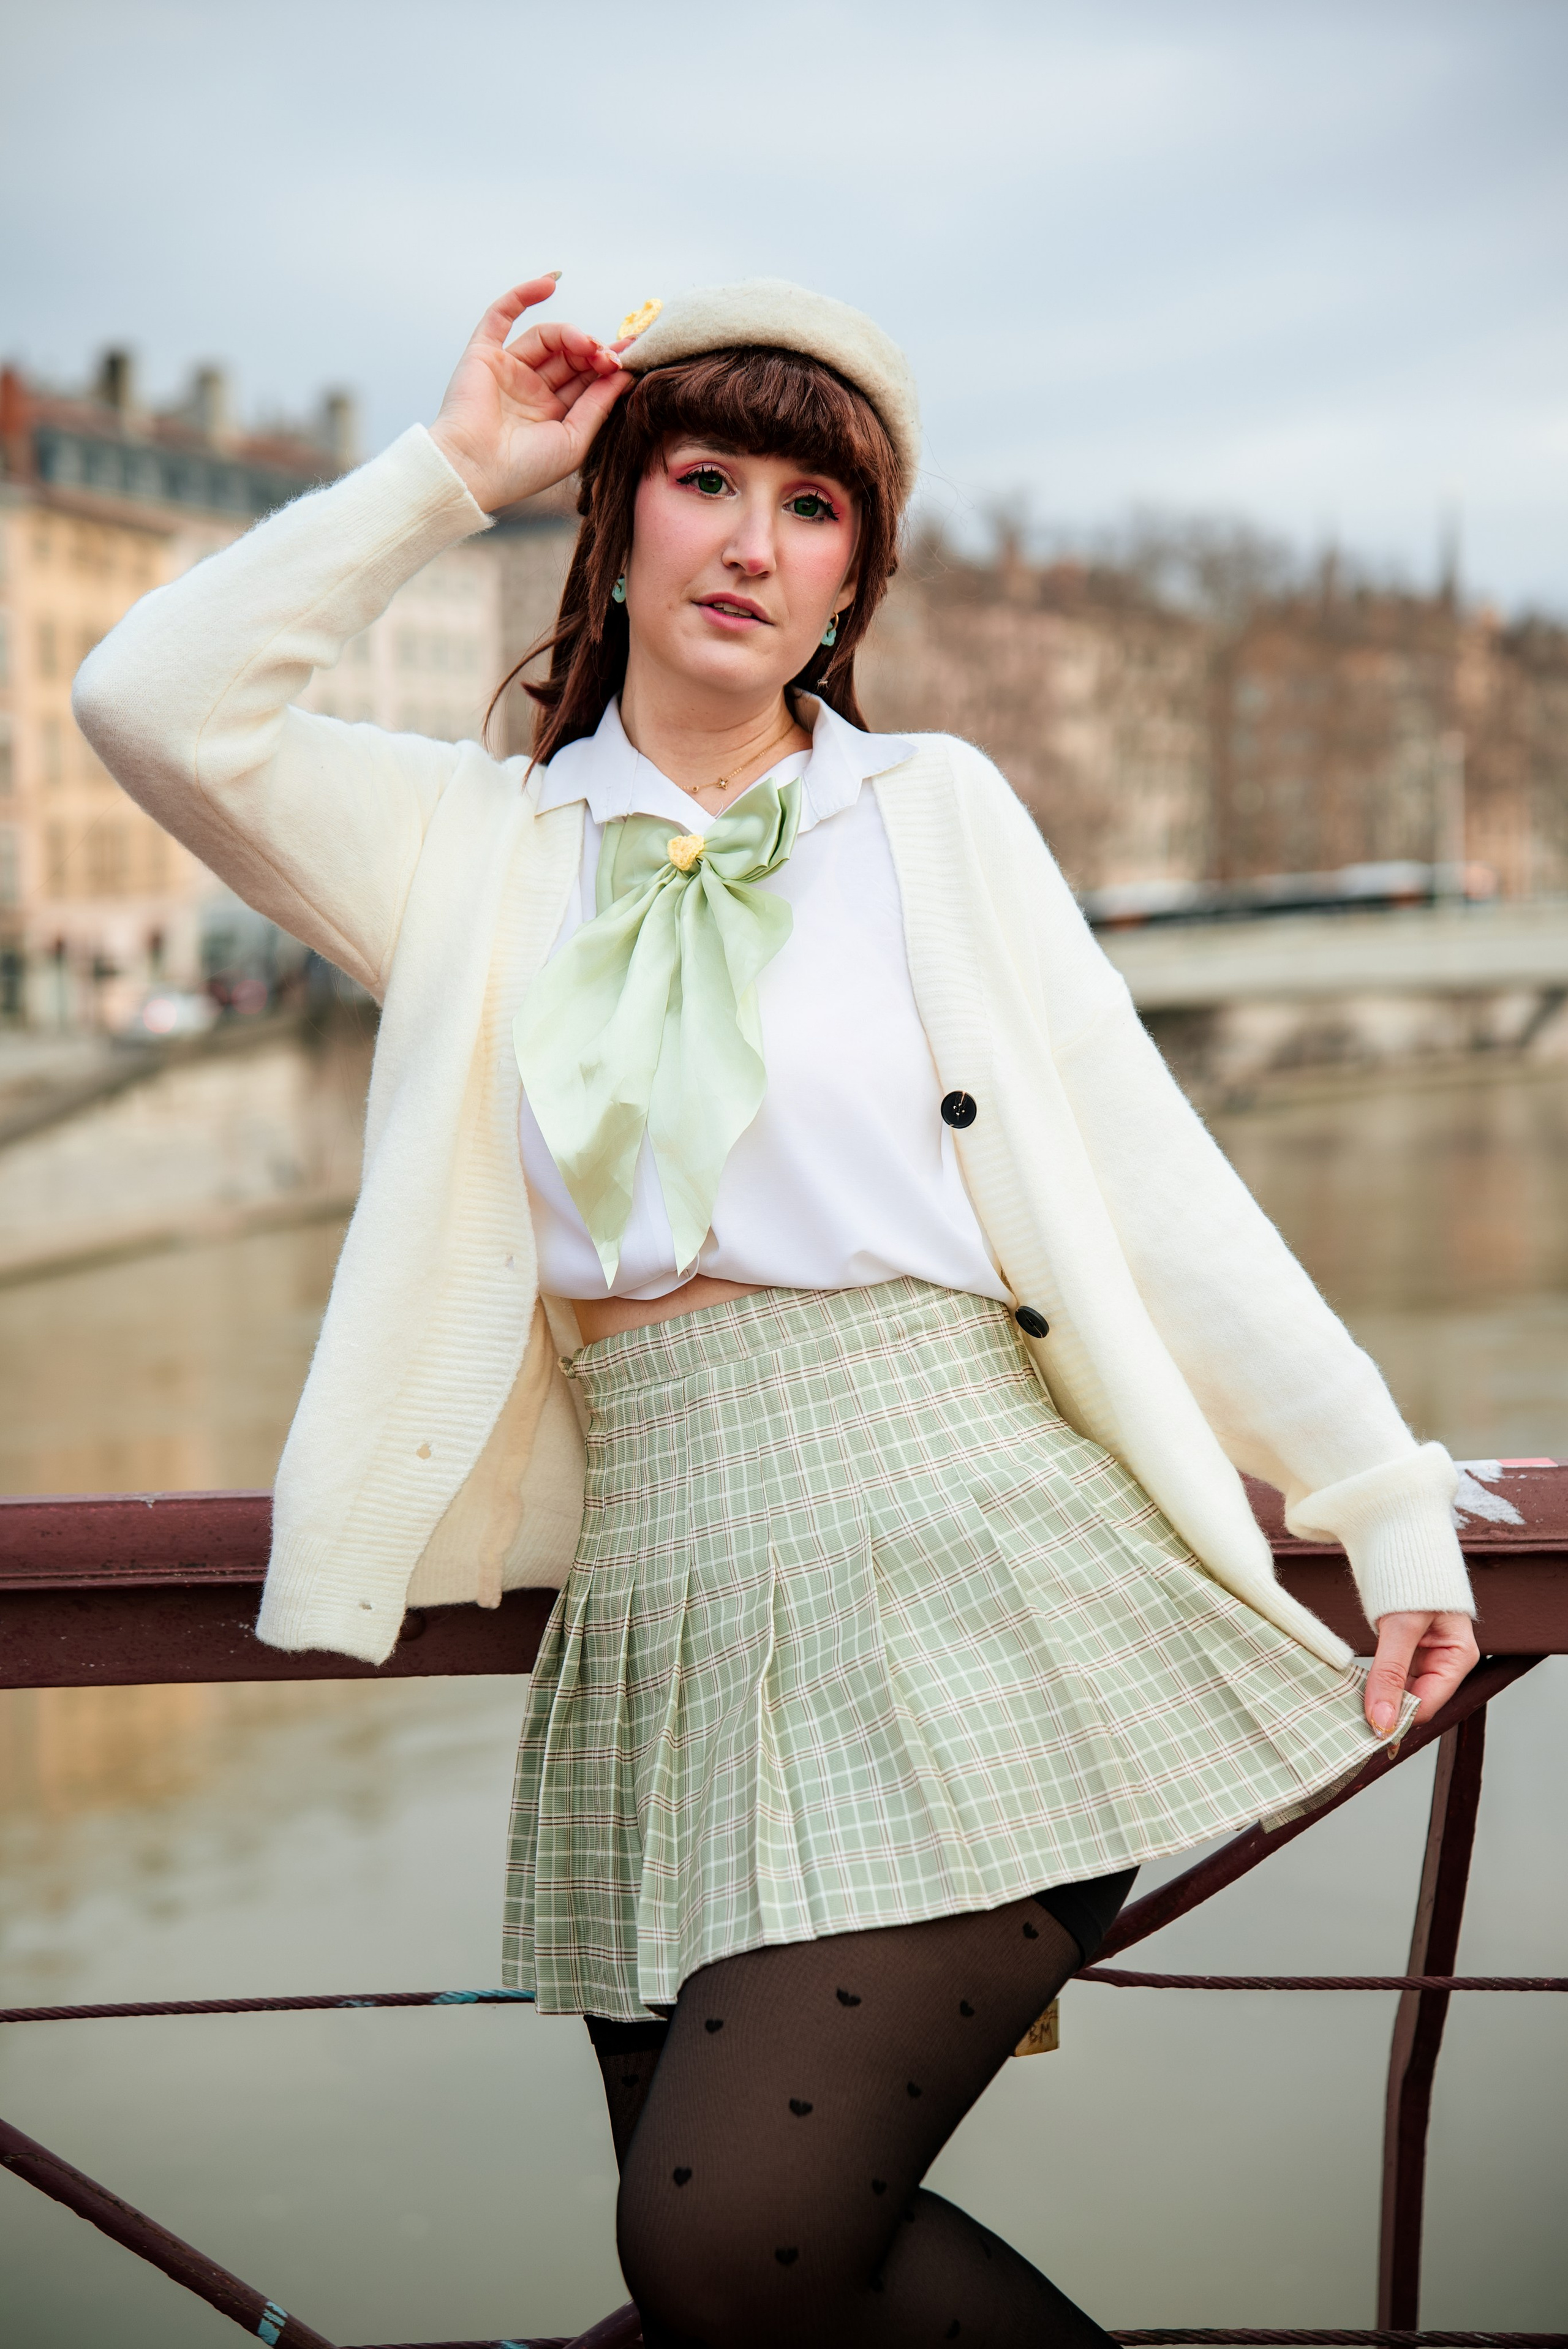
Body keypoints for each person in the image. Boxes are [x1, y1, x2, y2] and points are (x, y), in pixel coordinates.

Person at [75, 272, 1479, 2349]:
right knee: (748, 2313)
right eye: (704, 480)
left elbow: (1150, 1180)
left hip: (964, 1544)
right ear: (615, 516)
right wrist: (450, 468)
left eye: (811, 507)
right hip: (667, 1596)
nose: (751, 541)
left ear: (855, 579)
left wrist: (1378, 1492)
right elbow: (153, 700)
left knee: (730, 2242)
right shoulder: (471, 848)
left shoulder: (928, 816)